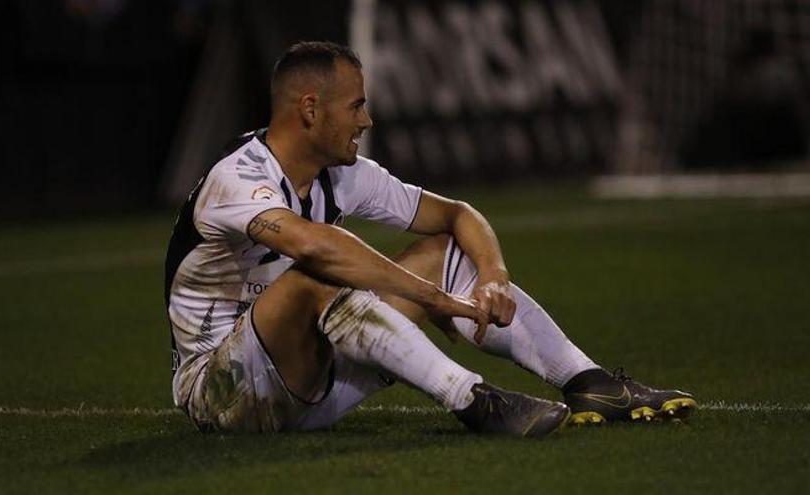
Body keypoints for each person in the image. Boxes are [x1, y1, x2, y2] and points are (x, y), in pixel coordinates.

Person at [164, 41, 696, 436]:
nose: (367, 120)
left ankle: (589, 381)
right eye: (355, 105)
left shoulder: (343, 173)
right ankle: (472, 399)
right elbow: (315, 248)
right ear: (309, 109)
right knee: (316, 274)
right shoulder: (238, 178)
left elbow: (459, 215)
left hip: (314, 383)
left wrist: (492, 279)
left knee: (444, 252)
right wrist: (436, 301)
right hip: (223, 394)